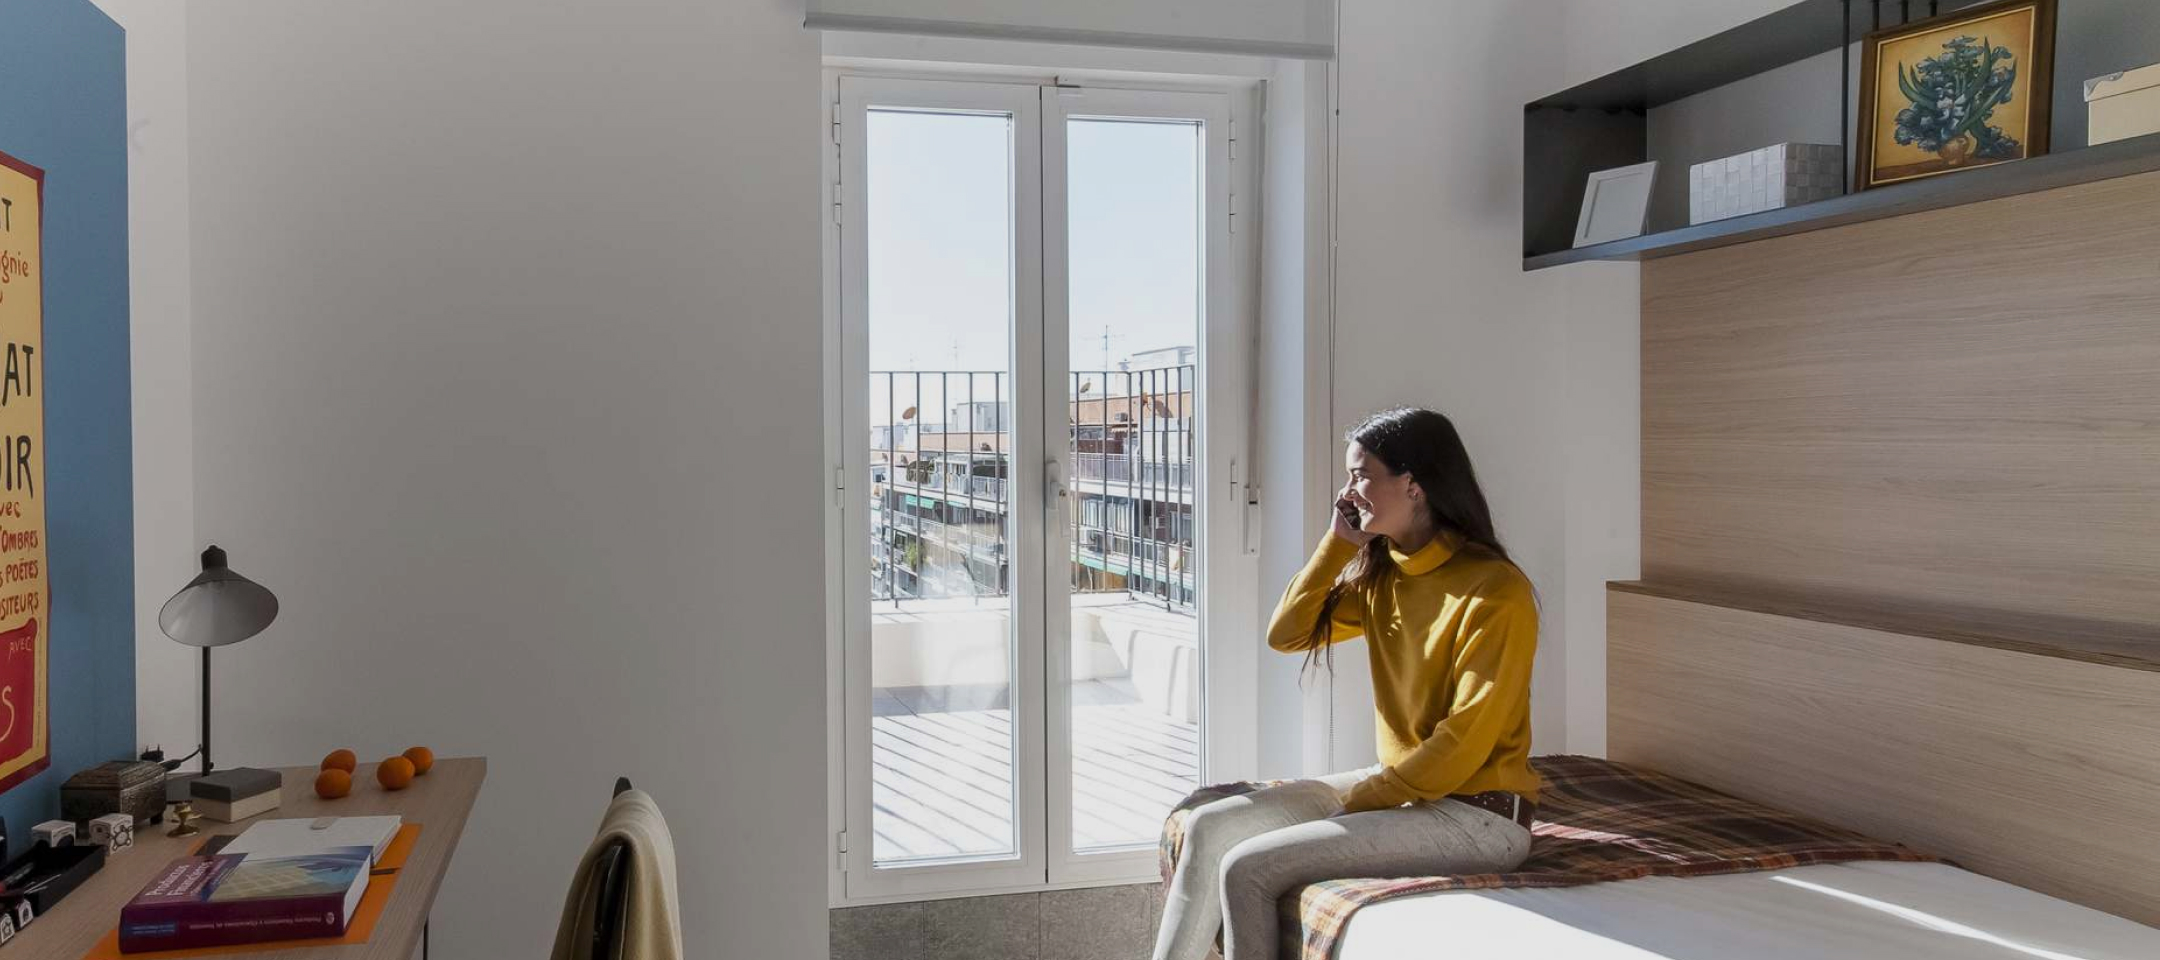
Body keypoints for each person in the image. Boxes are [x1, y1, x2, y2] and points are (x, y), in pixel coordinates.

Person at [1152, 407, 1540, 960]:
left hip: (1480, 816)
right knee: (1209, 827)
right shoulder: (1389, 575)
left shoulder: (1494, 590)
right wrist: (1337, 545)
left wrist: (1363, 801)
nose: (1347, 491)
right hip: (1407, 791)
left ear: (1413, 485)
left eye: (1361, 475)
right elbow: (1286, 633)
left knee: (1247, 868)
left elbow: (1463, 742)